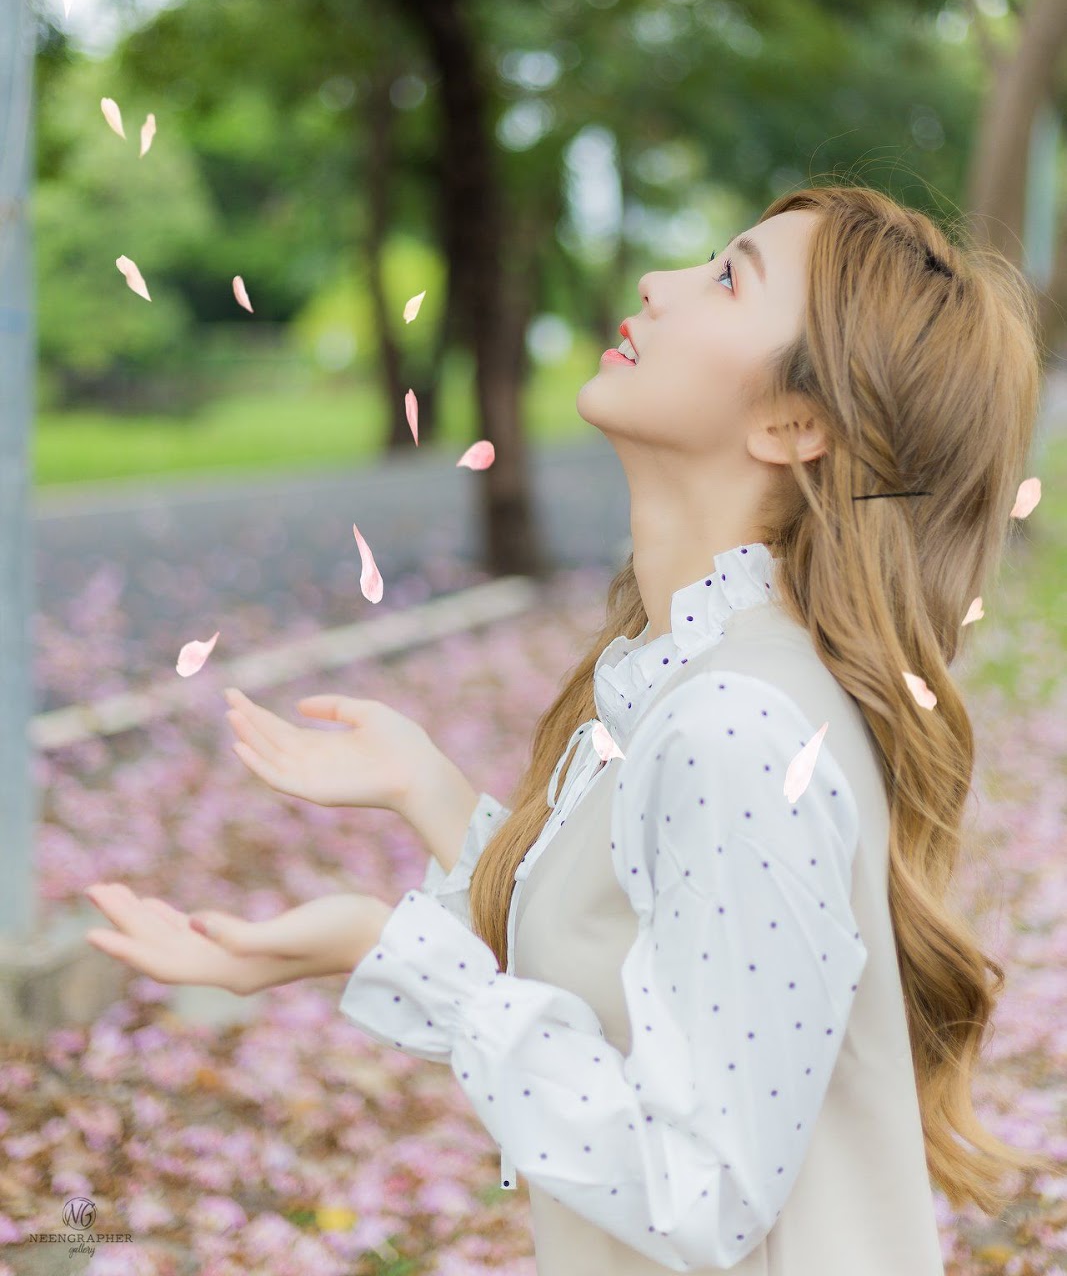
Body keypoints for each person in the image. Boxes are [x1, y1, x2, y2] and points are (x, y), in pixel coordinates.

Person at [85, 184, 1054, 1274]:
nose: (659, 282)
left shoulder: (735, 723)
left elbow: (704, 1195)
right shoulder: (703, 676)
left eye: (728, 276)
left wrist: (388, 949)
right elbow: (630, 963)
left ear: (794, 423)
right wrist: (431, 791)